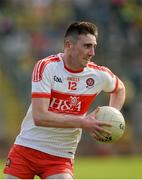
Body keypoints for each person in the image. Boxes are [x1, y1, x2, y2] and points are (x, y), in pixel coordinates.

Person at [4, 21, 126, 179]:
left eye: (94, 46)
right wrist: (82, 122)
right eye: (87, 46)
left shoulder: (98, 74)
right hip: (27, 148)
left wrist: (112, 114)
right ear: (69, 45)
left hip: (60, 156)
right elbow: (40, 117)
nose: (92, 52)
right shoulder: (46, 67)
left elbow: (119, 88)